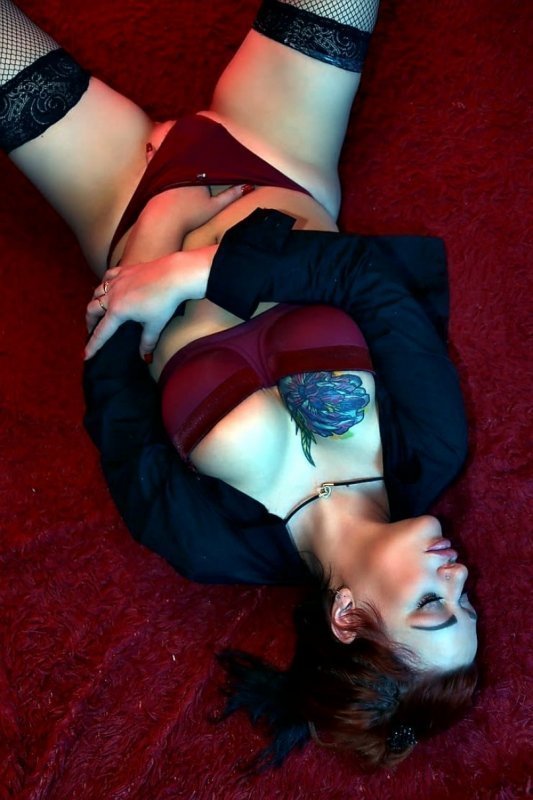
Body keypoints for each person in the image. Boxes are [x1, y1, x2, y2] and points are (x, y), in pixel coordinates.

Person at [1, 0, 478, 771]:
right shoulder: (431, 446)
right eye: (467, 601)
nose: (456, 577)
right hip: (273, 145)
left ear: (348, 616)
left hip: (119, 198)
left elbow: (116, 408)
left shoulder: (205, 544)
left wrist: (152, 237)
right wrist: (190, 273)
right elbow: (369, 281)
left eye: (432, 606)